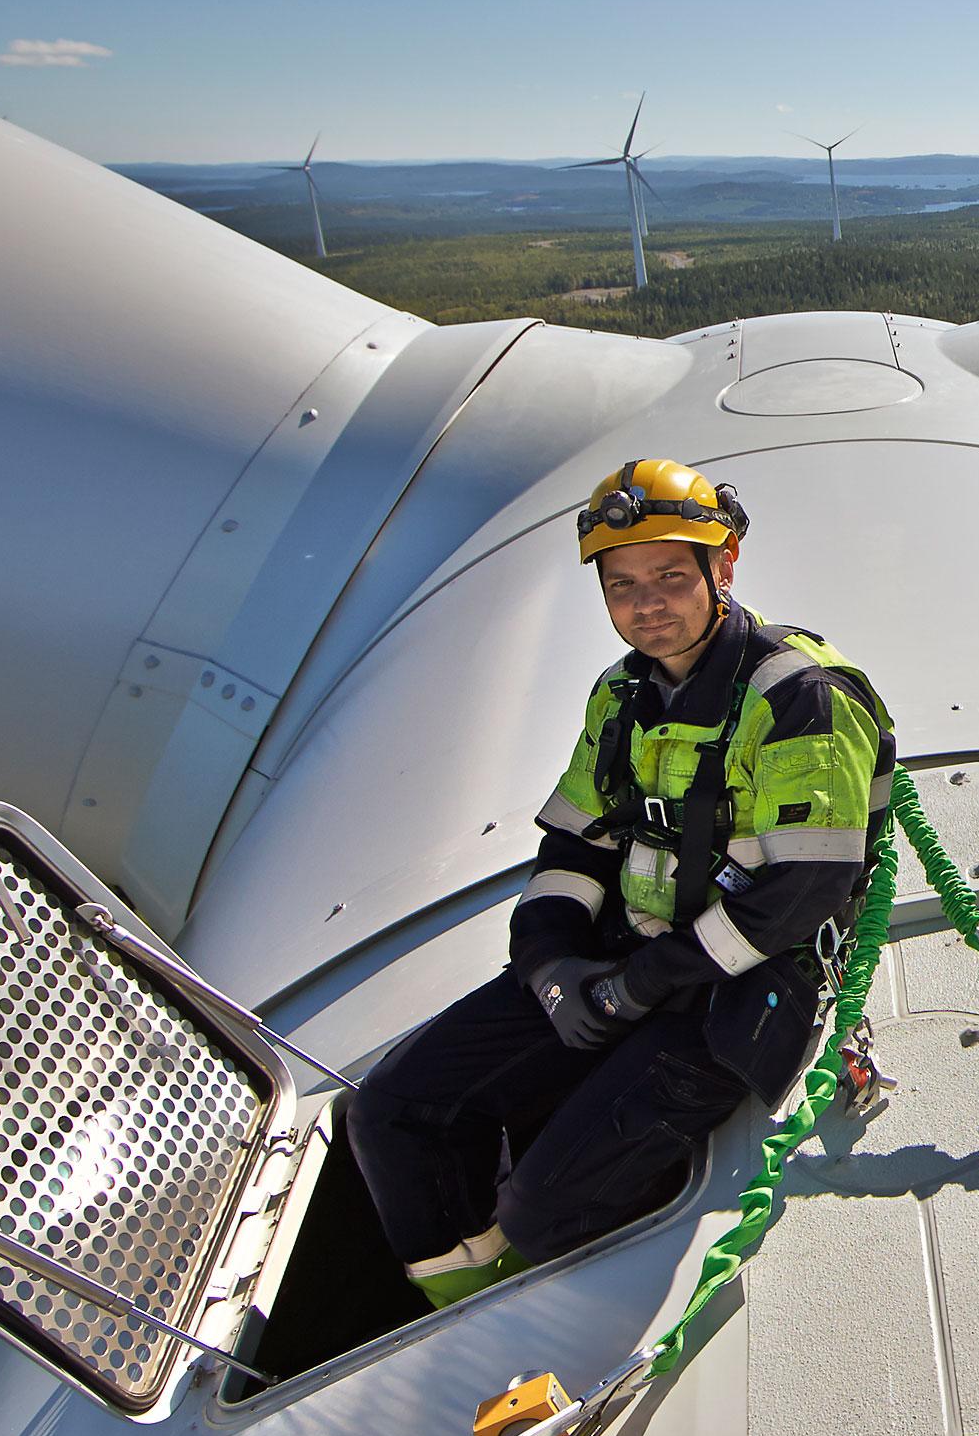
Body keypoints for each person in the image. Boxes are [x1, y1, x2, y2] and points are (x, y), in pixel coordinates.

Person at [348, 458, 895, 1308]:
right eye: (622, 585)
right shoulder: (622, 697)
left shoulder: (796, 697)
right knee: (391, 1108)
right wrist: (550, 963)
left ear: (725, 566)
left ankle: (519, 1272)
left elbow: (803, 892)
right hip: (629, 960)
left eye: (672, 578)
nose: (647, 606)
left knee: (541, 1209)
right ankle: (459, 1299)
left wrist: (639, 985)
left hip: (741, 986)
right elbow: (576, 844)